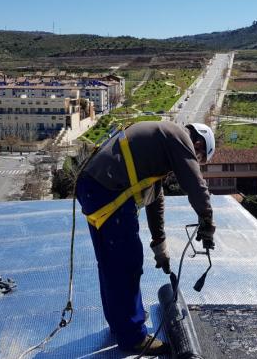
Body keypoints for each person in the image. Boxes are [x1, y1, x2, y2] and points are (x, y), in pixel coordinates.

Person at [76, 121, 216, 355]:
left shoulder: (158, 144)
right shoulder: (178, 136)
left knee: (111, 264)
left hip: (93, 186)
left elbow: (155, 200)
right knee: (127, 264)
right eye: (199, 156)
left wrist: (160, 247)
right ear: (198, 142)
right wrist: (207, 221)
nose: (195, 158)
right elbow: (195, 184)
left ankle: (120, 323)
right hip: (108, 188)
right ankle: (133, 336)